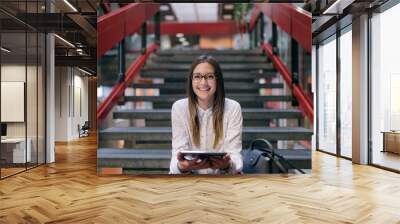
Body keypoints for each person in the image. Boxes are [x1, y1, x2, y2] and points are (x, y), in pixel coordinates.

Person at [169, 55, 243, 174]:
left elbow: (236, 157)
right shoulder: (179, 108)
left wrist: (227, 165)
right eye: (197, 77)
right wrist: (182, 166)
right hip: (189, 183)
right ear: (191, 81)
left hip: (224, 182)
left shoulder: (233, 108)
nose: (203, 82)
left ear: (217, 80)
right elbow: (176, 160)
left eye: (209, 77)